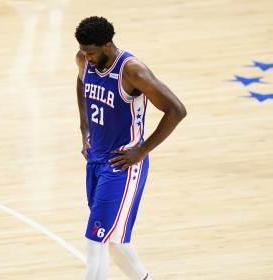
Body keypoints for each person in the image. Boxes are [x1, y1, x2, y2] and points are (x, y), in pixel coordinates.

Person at [75, 16, 187, 280]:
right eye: (82, 50)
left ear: (107, 45)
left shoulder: (132, 71)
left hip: (122, 165)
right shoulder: (84, 60)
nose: (86, 57)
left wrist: (142, 150)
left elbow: (177, 110)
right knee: (115, 243)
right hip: (96, 160)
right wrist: (84, 128)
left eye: (91, 52)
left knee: (95, 240)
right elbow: (81, 83)